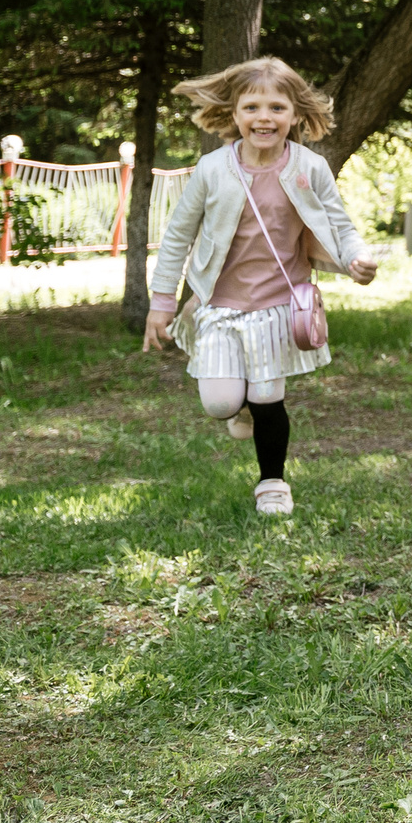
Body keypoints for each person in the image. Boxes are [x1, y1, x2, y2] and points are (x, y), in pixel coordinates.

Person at [143, 57, 381, 517]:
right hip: (218, 305)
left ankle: (272, 483)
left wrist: (356, 257)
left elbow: (339, 223)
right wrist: (161, 302)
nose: (264, 117)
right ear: (235, 114)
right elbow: (177, 235)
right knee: (220, 403)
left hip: (278, 304)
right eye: (252, 107)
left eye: (276, 107)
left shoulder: (309, 167)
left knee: (269, 395)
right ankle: (239, 410)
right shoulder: (213, 169)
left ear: (295, 114)